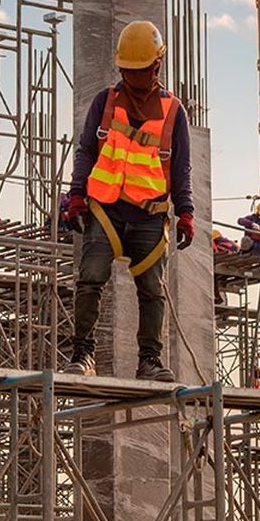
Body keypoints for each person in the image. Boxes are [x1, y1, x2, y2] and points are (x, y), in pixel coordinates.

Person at [61, 21, 194, 382]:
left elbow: (180, 166)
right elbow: (87, 151)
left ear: (157, 66)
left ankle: (149, 360)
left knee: (152, 291)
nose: (133, 77)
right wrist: (76, 195)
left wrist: (185, 212)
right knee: (90, 279)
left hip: (149, 215)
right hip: (106, 210)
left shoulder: (172, 112)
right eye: (127, 71)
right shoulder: (106, 102)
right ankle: (82, 353)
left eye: (139, 70)